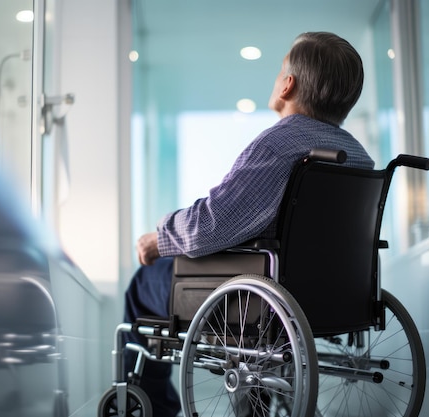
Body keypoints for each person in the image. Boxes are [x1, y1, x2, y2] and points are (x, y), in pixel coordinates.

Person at [123, 31, 375, 416]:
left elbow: (211, 225)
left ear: (287, 84)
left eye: (279, 71)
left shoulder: (278, 144)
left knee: (144, 283)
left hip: (260, 299)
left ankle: (155, 408)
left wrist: (160, 238)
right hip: (327, 298)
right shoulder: (359, 158)